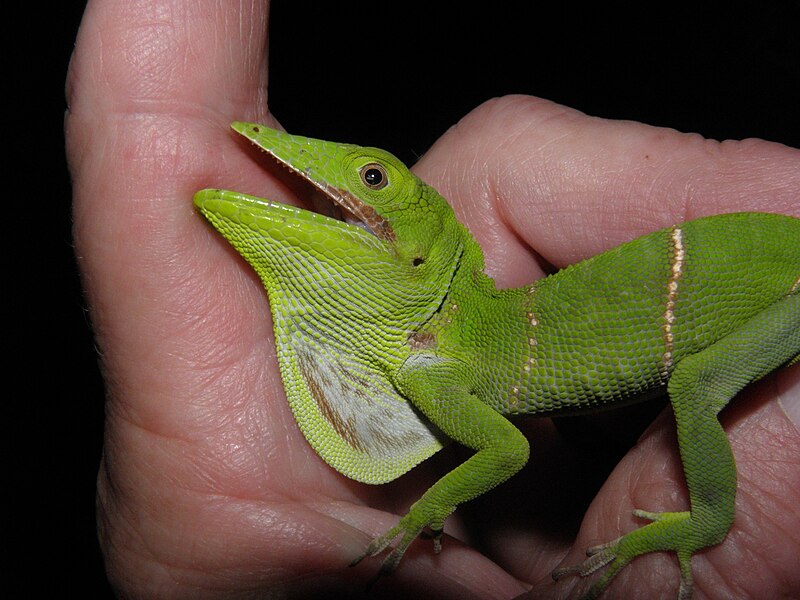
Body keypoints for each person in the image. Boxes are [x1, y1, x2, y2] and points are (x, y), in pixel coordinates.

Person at [67, 1, 800, 597]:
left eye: (375, 181)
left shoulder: (436, 368)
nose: (356, 192)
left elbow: (508, 449)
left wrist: (428, 507)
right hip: (753, 258)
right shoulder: (438, 349)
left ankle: (707, 521)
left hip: (774, 278)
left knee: (697, 383)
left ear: (423, 250)